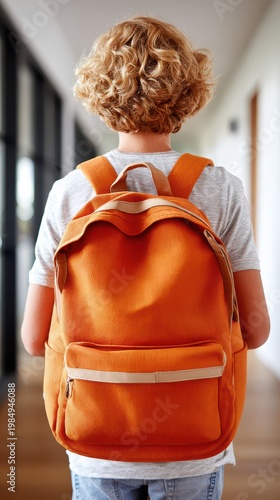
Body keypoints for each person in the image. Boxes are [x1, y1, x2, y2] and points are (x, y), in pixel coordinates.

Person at [21, 16, 270, 500]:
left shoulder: (69, 193)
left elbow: (34, 339)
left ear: (100, 93)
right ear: (187, 93)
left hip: (94, 433)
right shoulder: (220, 189)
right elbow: (256, 329)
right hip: (195, 436)